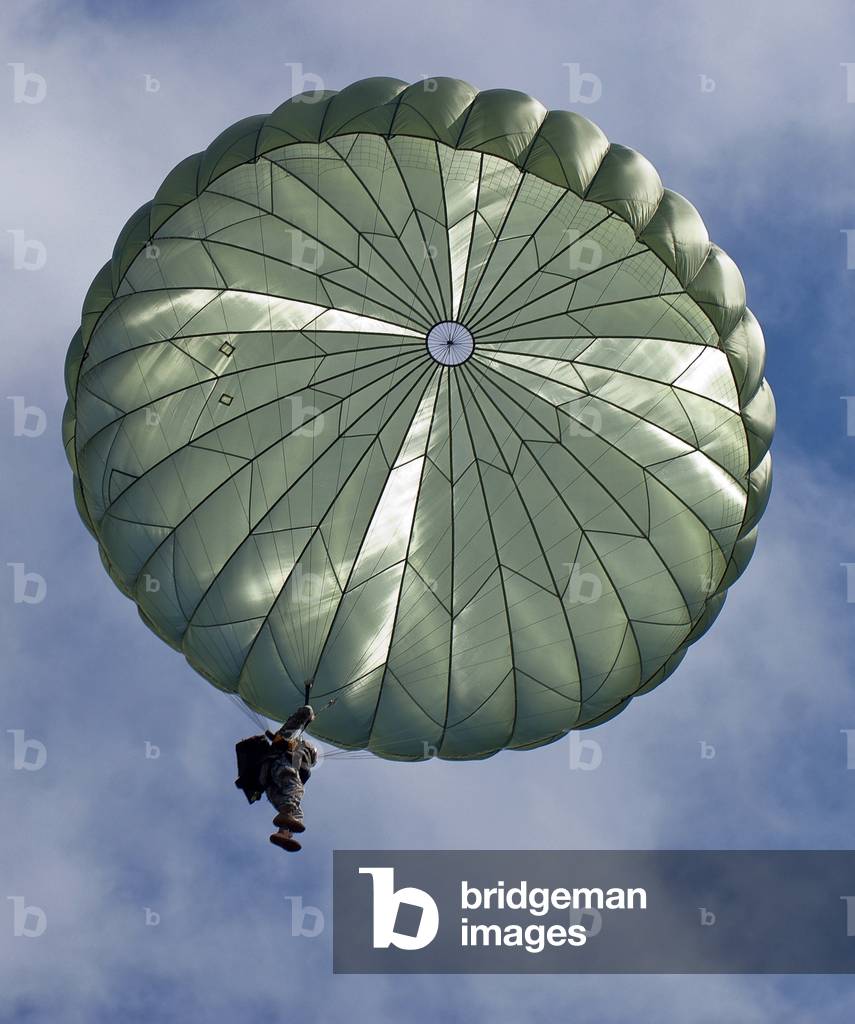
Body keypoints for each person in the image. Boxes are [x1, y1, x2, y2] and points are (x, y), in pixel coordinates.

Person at [260, 705, 318, 853]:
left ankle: (284, 832)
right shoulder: (283, 741)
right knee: (296, 791)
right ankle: (285, 821)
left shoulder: (299, 764)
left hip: (271, 784)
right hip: (277, 769)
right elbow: (299, 718)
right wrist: (307, 715)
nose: (306, 758)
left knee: (296, 811)